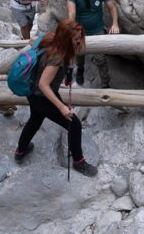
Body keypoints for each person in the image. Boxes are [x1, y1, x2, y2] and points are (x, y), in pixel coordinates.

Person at [14, 19, 98, 177]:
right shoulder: (57, 57)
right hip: (41, 95)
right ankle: (79, 162)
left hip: (32, 93)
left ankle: (20, 151)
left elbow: (33, 40)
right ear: (66, 38)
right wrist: (61, 107)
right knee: (74, 124)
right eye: (76, 38)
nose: (79, 40)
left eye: (80, 36)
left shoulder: (50, 38)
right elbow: (43, 84)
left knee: (35, 120)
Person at [66, 0, 119, 88]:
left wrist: (115, 23)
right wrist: (71, 29)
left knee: (100, 58)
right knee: (79, 54)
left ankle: (105, 84)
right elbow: (71, 13)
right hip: (79, 30)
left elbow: (112, 7)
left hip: (97, 30)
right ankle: (80, 69)